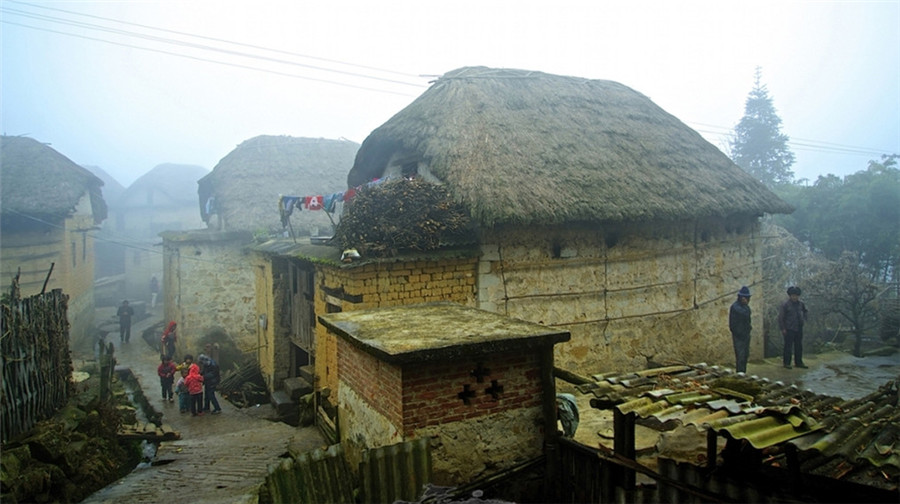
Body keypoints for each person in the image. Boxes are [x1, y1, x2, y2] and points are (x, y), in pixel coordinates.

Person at [778, 286, 809, 369]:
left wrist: (804, 319)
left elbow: (805, 311)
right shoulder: (785, 305)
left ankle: (798, 362)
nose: (794, 297)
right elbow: (781, 318)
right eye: (793, 295)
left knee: (799, 346)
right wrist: (783, 328)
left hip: (799, 327)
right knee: (788, 346)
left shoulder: (801, 304)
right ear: (790, 296)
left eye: (796, 295)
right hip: (789, 328)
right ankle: (786, 363)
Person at [728, 286, 753, 373]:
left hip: (746, 334)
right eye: (743, 297)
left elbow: (748, 320)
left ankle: (743, 372)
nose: (744, 299)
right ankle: (740, 373)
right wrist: (738, 333)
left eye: (746, 298)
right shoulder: (736, 307)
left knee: (745, 355)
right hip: (738, 335)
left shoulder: (746, 307)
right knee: (740, 356)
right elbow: (744, 314)